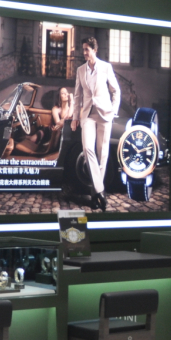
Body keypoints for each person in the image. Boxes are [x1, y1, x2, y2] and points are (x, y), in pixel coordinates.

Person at [71, 36, 120, 211]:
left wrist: (113, 111)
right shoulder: (80, 70)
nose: (84, 52)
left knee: (103, 153)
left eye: (87, 49)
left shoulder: (106, 67)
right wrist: (75, 117)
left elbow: (116, 91)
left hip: (105, 114)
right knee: (87, 149)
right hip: (88, 116)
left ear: (94, 50)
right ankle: (101, 190)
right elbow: (77, 96)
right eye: (83, 49)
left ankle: (94, 194)